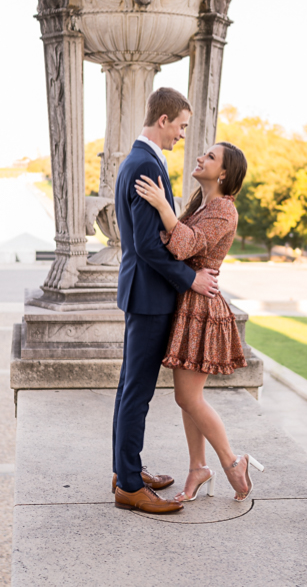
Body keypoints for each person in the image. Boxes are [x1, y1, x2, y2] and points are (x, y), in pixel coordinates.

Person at [110, 87, 221, 515]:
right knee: (136, 392)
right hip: (150, 294)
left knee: (129, 389)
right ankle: (131, 487)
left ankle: (127, 469)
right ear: (163, 121)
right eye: (181, 126)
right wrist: (192, 279)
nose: (182, 135)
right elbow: (147, 246)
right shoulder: (145, 165)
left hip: (143, 291)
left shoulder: (143, 160)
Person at [136, 139, 264, 503]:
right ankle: (198, 467)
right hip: (188, 306)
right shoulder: (202, 204)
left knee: (187, 397)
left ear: (224, 173)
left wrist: (162, 206)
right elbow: (172, 240)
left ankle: (232, 461)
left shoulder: (224, 210)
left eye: (210, 156)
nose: (200, 157)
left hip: (202, 311)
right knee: (188, 399)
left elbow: (183, 245)